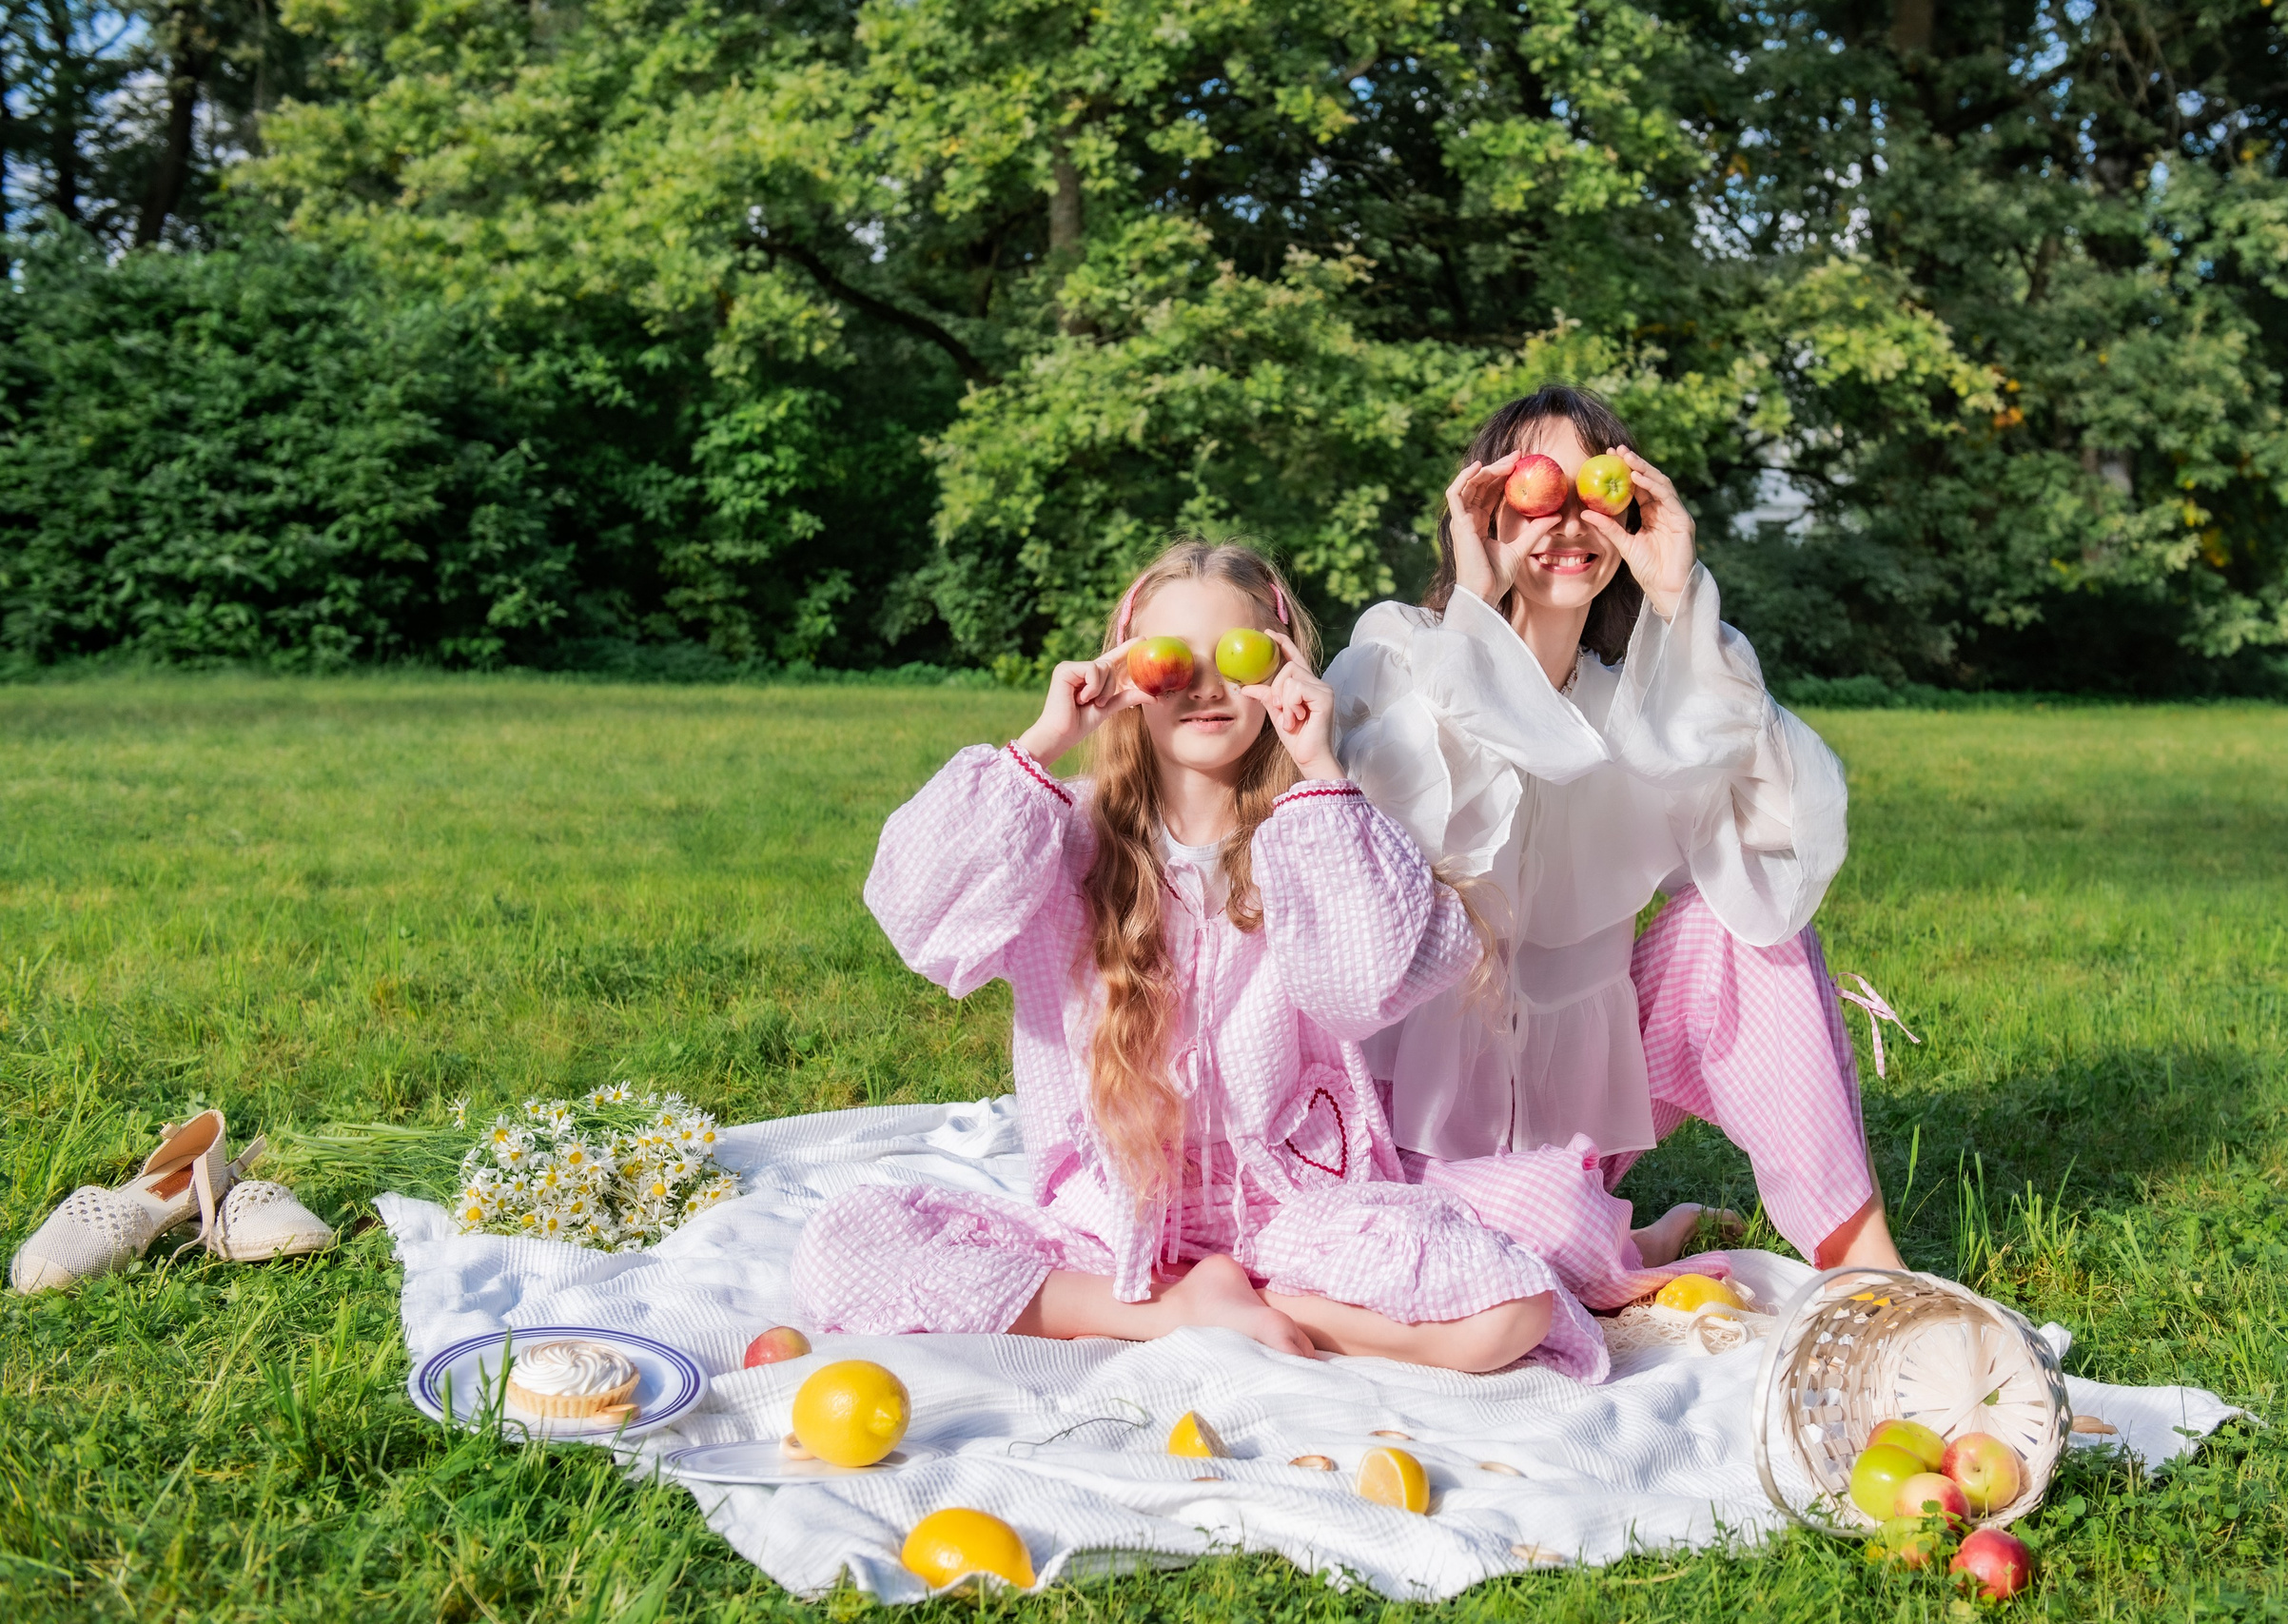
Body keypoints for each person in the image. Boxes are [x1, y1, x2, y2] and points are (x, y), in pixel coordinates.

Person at [792, 539, 1612, 1379]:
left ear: (1282, 667)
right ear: (1125, 675)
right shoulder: (1060, 837)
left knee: (1514, 1307)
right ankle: (1179, 1308)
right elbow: (917, 912)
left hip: (1292, 1204)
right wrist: (1045, 738)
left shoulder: (1315, 831)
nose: (1207, 685)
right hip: (1114, 1219)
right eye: (1170, 662)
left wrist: (1318, 764)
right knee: (843, 1249)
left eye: (1239, 655)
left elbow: (1362, 988)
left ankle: (1235, 1303)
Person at [1325, 384, 1907, 1279]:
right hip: (1401, 1133)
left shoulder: (1640, 708)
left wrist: (1683, 609)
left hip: (1575, 1137)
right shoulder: (1402, 653)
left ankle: (1869, 1271)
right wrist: (1477, 606)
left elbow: (1785, 834)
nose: (1565, 522)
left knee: (1746, 936)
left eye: (1594, 494)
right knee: (1498, 1252)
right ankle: (1617, 1243)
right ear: (1484, 509)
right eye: (1536, 492)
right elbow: (1392, 843)